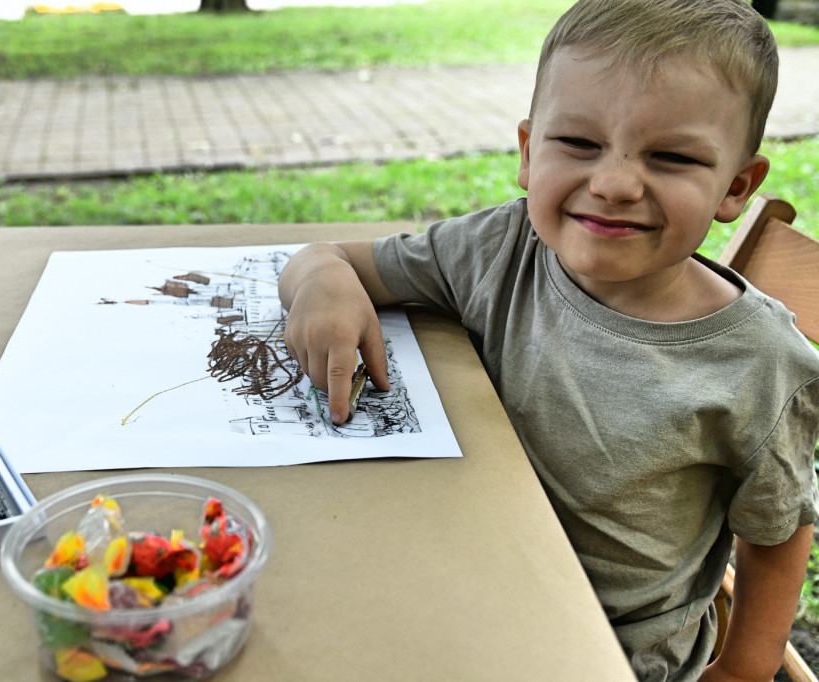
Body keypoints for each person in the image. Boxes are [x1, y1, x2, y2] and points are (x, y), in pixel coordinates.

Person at [277, 0, 819, 680]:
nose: (615, 183)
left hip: (609, 647)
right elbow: (326, 256)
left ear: (735, 186)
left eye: (673, 157)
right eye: (579, 144)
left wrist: (742, 670)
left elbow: (778, 531)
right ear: (530, 153)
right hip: (460, 566)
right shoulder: (502, 247)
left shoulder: (761, 363)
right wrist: (322, 276)